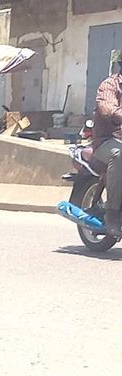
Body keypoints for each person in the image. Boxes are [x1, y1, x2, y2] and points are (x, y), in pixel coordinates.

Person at [93, 53, 122, 238]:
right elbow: (107, 109)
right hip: (106, 140)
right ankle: (112, 213)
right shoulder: (110, 85)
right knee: (119, 155)